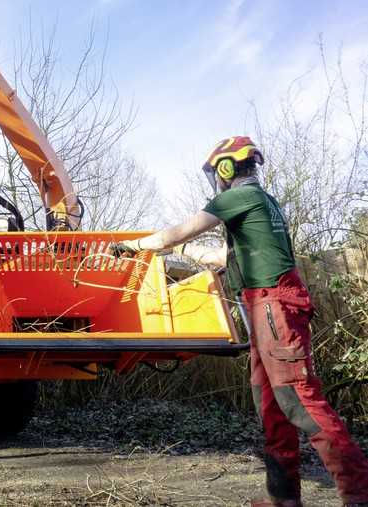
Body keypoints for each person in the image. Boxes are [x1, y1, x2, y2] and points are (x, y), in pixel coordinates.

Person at [112, 136, 368, 507]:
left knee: (297, 400)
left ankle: (360, 494)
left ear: (226, 168)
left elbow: (173, 233)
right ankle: (284, 499)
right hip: (266, 307)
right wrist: (182, 251)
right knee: (271, 405)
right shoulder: (263, 202)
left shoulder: (236, 197)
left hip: (273, 305)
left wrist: (134, 246)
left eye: (218, 171)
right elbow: (224, 256)